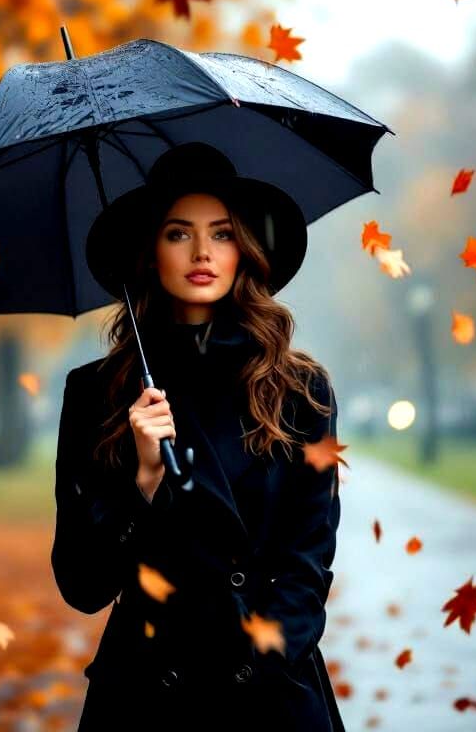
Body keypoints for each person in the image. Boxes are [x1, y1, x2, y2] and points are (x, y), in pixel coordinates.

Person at [52, 142, 345, 732]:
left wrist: (254, 665)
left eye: (222, 233)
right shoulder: (98, 394)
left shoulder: (298, 390)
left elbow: (307, 564)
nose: (202, 252)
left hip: (267, 693)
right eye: (178, 233)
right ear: (149, 252)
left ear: (245, 250)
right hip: (146, 697)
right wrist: (142, 484)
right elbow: (82, 583)